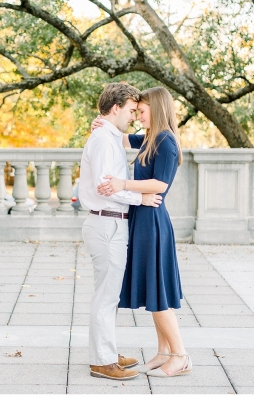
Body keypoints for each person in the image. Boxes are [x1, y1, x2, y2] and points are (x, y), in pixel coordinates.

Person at [93, 86, 191, 377]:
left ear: (157, 110)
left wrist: (122, 185)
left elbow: (161, 185)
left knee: (157, 292)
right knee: (153, 290)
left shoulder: (165, 142)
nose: (137, 117)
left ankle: (181, 355)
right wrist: (101, 123)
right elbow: (121, 136)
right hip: (143, 218)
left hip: (152, 221)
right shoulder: (150, 138)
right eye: (135, 112)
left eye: (142, 111)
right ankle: (163, 353)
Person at [79, 83, 163, 381]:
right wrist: (140, 198)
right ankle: (102, 361)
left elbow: (147, 140)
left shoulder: (110, 136)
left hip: (111, 222)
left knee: (109, 294)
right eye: (130, 110)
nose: (133, 116)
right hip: (107, 221)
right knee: (106, 295)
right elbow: (106, 186)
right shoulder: (103, 139)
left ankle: (107, 353)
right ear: (115, 108)